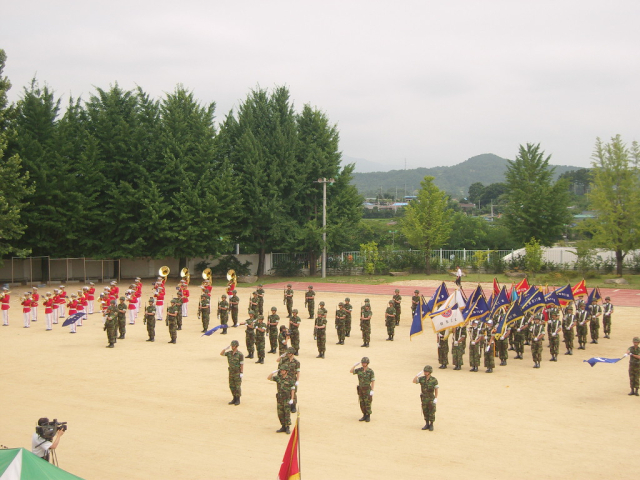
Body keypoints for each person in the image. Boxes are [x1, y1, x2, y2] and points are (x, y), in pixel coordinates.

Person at [268, 367, 296, 434]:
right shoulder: (278, 378)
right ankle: (283, 426)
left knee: (287, 413)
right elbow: (269, 378)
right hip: (280, 398)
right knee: (280, 413)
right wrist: (272, 372)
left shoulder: (290, 379)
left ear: (286, 371)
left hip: (286, 398)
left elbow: (292, 390)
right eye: (281, 370)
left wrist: (292, 399)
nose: (282, 371)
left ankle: (287, 427)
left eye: (283, 370)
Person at [413, 365, 438, 431]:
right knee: (425, 411)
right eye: (424, 371)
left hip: (431, 398)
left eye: (426, 372)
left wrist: (436, 398)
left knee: (432, 411)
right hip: (424, 398)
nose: (425, 373)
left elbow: (436, 389)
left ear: (430, 372)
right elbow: (414, 381)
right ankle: (427, 424)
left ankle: (431, 424)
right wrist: (417, 375)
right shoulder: (422, 379)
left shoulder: (434, 380)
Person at [351, 357, 375, 422]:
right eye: (363, 363)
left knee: (368, 402)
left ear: (367, 363)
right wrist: (354, 366)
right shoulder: (359, 370)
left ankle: (368, 415)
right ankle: (364, 415)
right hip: (361, 389)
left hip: (367, 389)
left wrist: (372, 390)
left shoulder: (370, 371)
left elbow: (373, 381)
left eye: (365, 363)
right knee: (362, 402)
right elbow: (351, 371)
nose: (363, 364)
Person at [221, 340, 244, 405]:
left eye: (233, 346)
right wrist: (224, 349)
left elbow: (242, 363)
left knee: (237, 386)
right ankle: (234, 398)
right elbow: (221, 354)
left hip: (237, 372)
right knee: (231, 385)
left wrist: (241, 372)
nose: (232, 347)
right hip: (231, 372)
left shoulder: (240, 354)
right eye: (231, 345)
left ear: (236, 346)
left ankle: (238, 399)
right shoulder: (229, 353)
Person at [278, 347, 300, 413]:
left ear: (292, 353)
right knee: (284, 392)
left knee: (293, 392)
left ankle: (293, 406)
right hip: (284, 378)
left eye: (289, 352)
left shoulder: (296, 362)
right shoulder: (285, 359)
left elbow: (298, 372)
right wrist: (282, 355)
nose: (288, 354)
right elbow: (277, 360)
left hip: (292, 379)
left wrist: (297, 380)